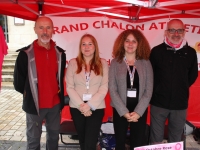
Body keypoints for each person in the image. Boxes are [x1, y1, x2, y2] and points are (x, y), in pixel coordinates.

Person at [13, 16, 66, 150]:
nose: (45, 31)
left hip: (54, 105)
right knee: (33, 140)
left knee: (54, 137)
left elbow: (59, 78)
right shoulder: (25, 54)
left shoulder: (60, 53)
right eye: (41, 27)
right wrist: (32, 95)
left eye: (48, 27)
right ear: (35, 29)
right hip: (34, 105)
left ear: (53, 30)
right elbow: (19, 83)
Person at [150, 19, 198, 144]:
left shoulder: (191, 53)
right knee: (156, 139)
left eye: (179, 30)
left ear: (184, 32)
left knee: (176, 140)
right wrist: (158, 90)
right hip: (158, 103)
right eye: (172, 30)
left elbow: (192, 76)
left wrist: (180, 88)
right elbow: (151, 75)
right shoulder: (156, 51)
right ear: (166, 32)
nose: (176, 34)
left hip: (180, 104)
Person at [109, 29, 153, 150]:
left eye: (134, 41)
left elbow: (149, 89)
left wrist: (138, 112)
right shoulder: (115, 63)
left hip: (140, 110)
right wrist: (123, 111)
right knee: (120, 143)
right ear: (122, 43)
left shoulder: (146, 62)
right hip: (120, 110)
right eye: (127, 40)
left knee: (137, 144)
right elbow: (112, 89)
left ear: (139, 44)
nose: (130, 44)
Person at [66, 34, 108, 150]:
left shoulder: (103, 63)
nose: (87, 47)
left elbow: (104, 87)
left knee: (91, 141)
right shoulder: (73, 63)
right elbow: (69, 87)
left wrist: (89, 105)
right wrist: (82, 106)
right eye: (83, 44)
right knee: (83, 140)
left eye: (90, 44)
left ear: (95, 47)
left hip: (96, 107)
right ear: (80, 47)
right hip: (77, 107)